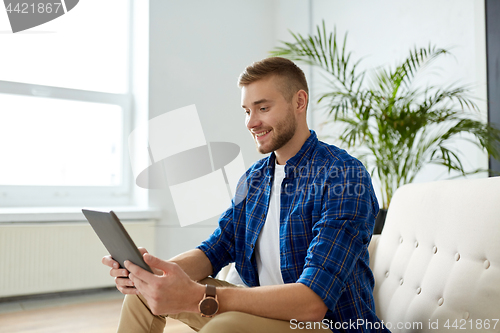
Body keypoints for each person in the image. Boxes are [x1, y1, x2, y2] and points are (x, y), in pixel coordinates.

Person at [102, 57, 390, 333]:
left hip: (326, 325)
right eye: (246, 111)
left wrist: (200, 295)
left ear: (299, 102)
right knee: (143, 294)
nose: (251, 122)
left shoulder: (343, 175)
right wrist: (154, 274)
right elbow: (215, 249)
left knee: (226, 327)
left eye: (263, 108)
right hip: (268, 317)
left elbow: (312, 302)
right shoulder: (254, 178)